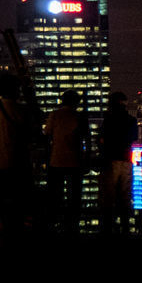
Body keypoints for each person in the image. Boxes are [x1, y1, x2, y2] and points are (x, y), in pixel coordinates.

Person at [0, 74, 37, 245]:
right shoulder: (19, 110)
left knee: (2, 204)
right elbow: (31, 134)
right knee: (18, 205)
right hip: (15, 165)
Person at [44, 89, 90, 237]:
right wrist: (86, 158)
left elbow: (46, 133)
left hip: (56, 160)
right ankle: (72, 227)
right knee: (74, 197)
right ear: (76, 102)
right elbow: (87, 140)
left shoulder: (55, 115)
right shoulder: (79, 117)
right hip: (75, 161)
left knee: (55, 195)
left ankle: (54, 225)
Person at [99, 91, 138, 237]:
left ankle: (108, 229)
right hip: (126, 159)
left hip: (110, 159)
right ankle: (125, 227)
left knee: (109, 196)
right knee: (125, 195)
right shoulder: (131, 120)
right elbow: (133, 138)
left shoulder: (108, 119)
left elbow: (102, 139)